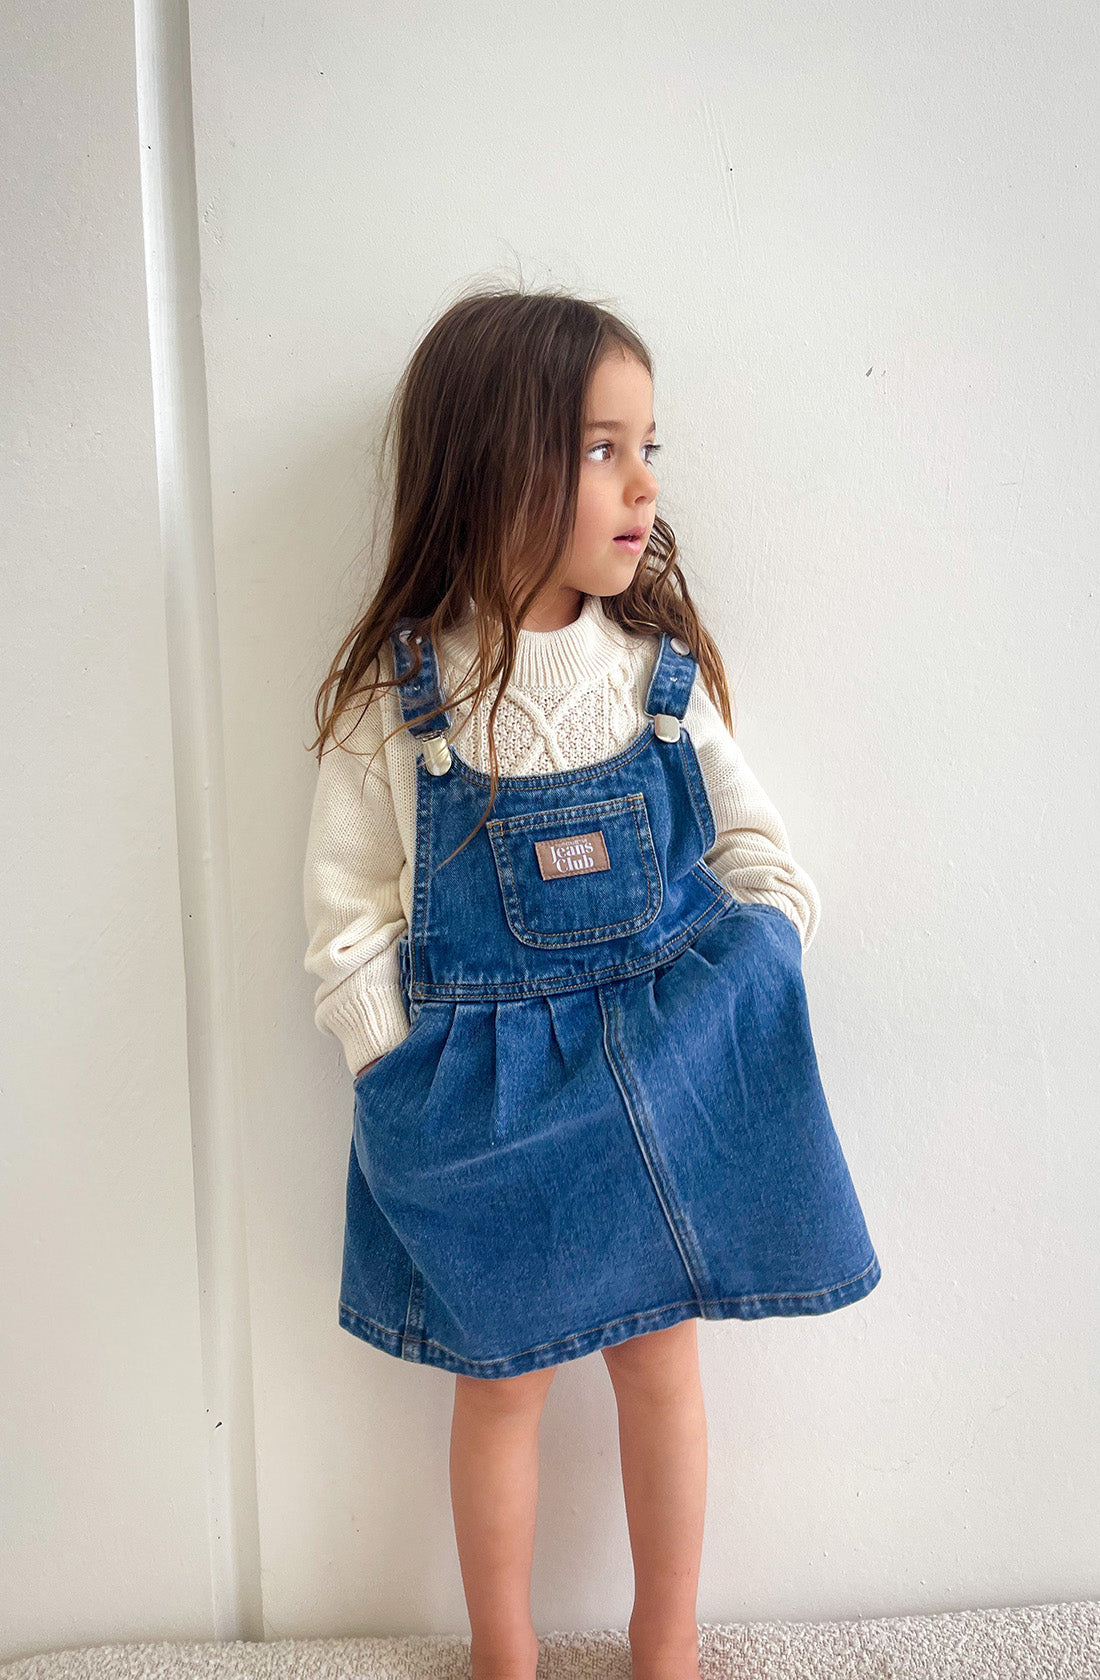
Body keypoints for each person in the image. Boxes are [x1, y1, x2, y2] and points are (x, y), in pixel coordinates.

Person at [301, 284, 881, 1680]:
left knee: (660, 1368)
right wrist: (398, 1073)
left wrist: (740, 988)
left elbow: (762, 857)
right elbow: (343, 920)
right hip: (483, 1109)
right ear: (500, 465)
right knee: (497, 1387)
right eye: (605, 448)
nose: (644, 485)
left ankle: (665, 1645)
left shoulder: (656, 681)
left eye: (651, 446)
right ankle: (504, 1654)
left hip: (661, 1091)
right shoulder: (400, 701)